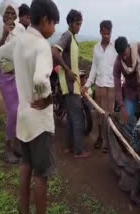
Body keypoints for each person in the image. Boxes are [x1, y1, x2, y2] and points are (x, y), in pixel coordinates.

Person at [13, 0, 59, 213]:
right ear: (44, 20)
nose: (54, 29)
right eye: (53, 24)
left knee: (26, 166)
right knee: (41, 175)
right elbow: (41, 79)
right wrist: (47, 99)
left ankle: (23, 209)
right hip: (38, 123)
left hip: (23, 118)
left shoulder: (20, 40)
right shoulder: (42, 45)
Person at [0, 0, 25, 164]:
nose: (10, 16)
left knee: (21, 110)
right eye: (7, 13)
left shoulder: (21, 29)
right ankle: (8, 148)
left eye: (13, 13)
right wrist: (4, 36)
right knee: (13, 110)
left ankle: (17, 144)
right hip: (6, 74)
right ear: (2, 13)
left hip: (19, 73)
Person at [52, 9, 89, 158]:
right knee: (78, 117)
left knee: (71, 117)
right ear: (70, 23)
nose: (79, 27)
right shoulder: (67, 35)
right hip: (70, 85)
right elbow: (54, 51)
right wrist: (67, 70)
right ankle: (78, 151)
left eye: (80, 24)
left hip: (69, 84)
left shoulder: (72, 37)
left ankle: (68, 146)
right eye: (77, 24)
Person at [82, 20, 117, 152]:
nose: (106, 36)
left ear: (111, 32)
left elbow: (118, 67)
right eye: (104, 33)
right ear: (100, 32)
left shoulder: (115, 47)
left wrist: (121, 82)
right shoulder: (96, 48)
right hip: (100, 85)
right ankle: (100, 137)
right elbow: (94, 68)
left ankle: (109, 142)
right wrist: (87, 84)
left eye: (108, 33)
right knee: (99, 114)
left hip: (112, 86)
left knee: (109, 115)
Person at [113, 36, 140, 130]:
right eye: (121, 55)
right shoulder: (118, 62)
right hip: (130, 92)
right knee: (127, 120)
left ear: (128, 47)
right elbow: (117, 82)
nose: (124, 57)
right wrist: (122, 106)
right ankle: (131, 142)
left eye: (125, 53)